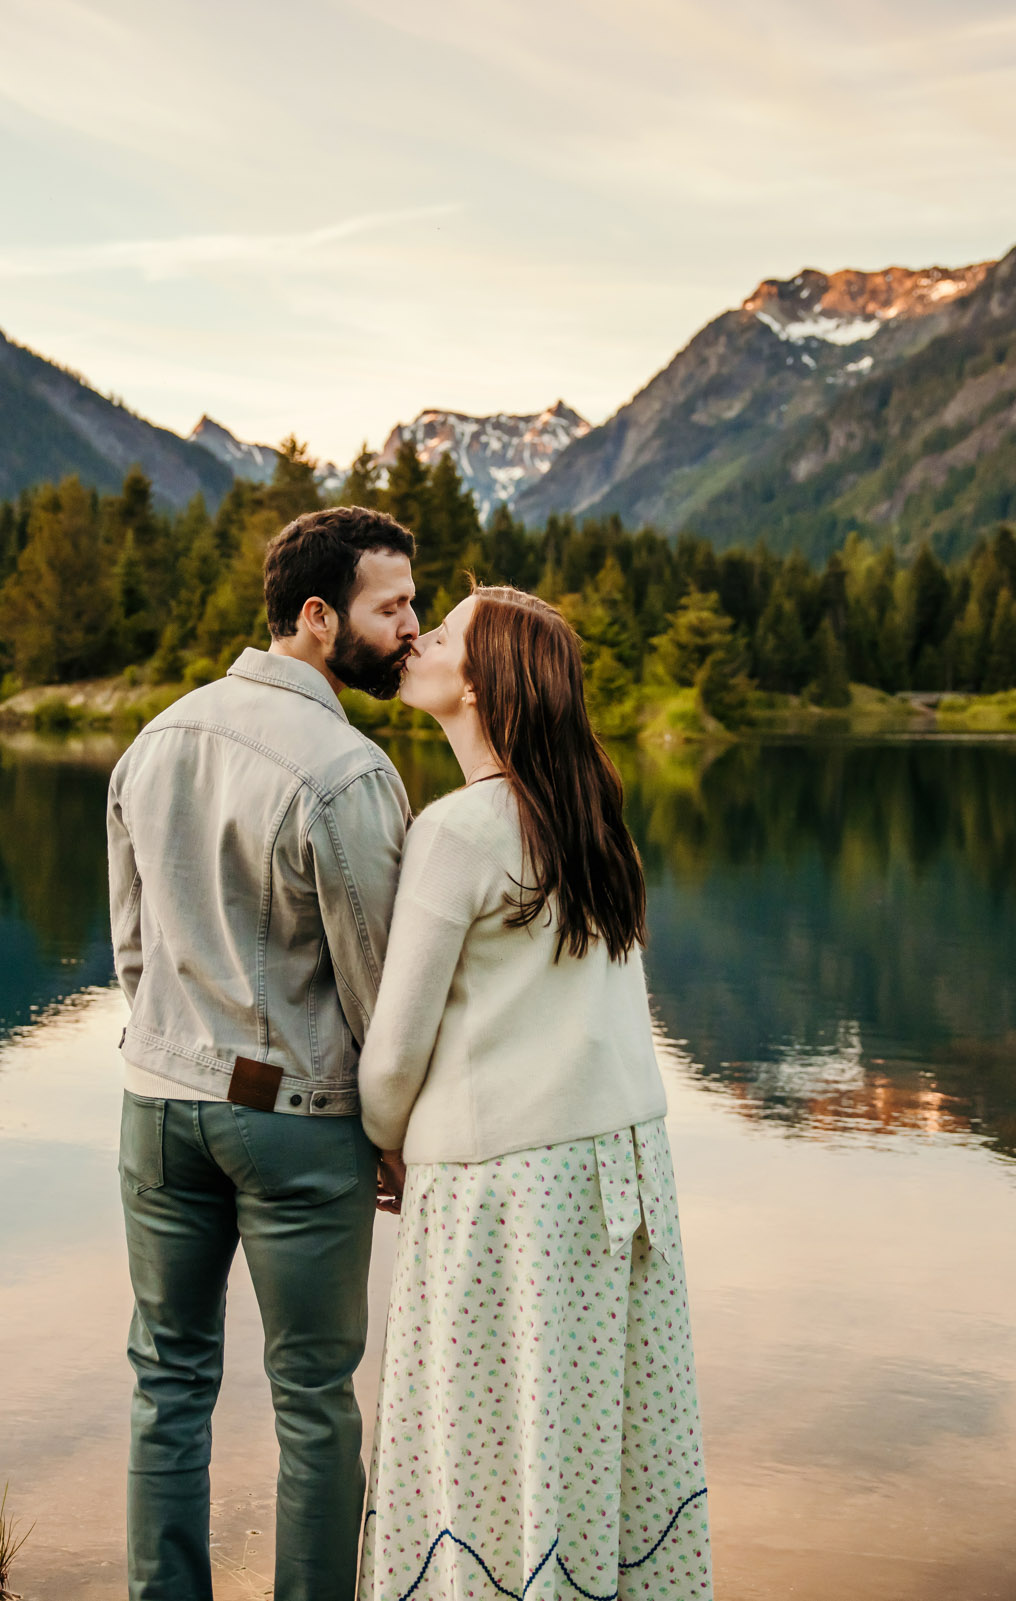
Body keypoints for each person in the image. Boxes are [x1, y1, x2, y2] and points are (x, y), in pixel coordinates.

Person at [356, 586, 713, 1601]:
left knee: (485, 1445)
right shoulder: (593, 814)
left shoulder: (459, 828)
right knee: (593, 1435)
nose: (418, 639)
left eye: (447, 635)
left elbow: (393, 1056)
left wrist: (384, 1136)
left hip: (508, 1186)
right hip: (623, 1168)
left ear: (481, 683)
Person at [105, 505, 422, 1601]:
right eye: (393, 607)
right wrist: (393, 1137)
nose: (413, 630)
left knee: (167, 1381)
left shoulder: (158, 737)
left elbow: (133, 948)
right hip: (293, 1122)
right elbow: (384, 993)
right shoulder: (350, 771)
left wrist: (167, 1051)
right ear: (321, 616)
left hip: (155, 1102)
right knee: (316, 1397)